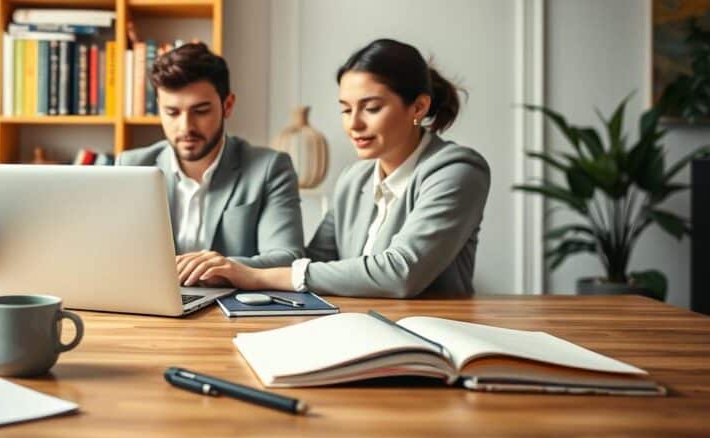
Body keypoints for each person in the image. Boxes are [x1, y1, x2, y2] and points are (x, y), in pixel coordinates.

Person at [177, 38, 491, 298]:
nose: (353, 124)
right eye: (345, 109)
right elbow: (311, 261)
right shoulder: (354, 179)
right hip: (358, 329)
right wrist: (222, 268)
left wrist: (255, 277)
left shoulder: (458, 170)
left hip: (430, 339)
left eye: (371, 108)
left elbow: (400, 273)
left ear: (418, 107)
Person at [117, 42, 304, 272]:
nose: (185, 126)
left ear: (227, 106)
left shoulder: (270, 168)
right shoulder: (131, 167)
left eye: (201, 111)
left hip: (233, 303)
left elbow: (287, 258)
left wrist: (220, 268)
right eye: (172, 112)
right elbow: (111, 252)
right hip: (151, 306)